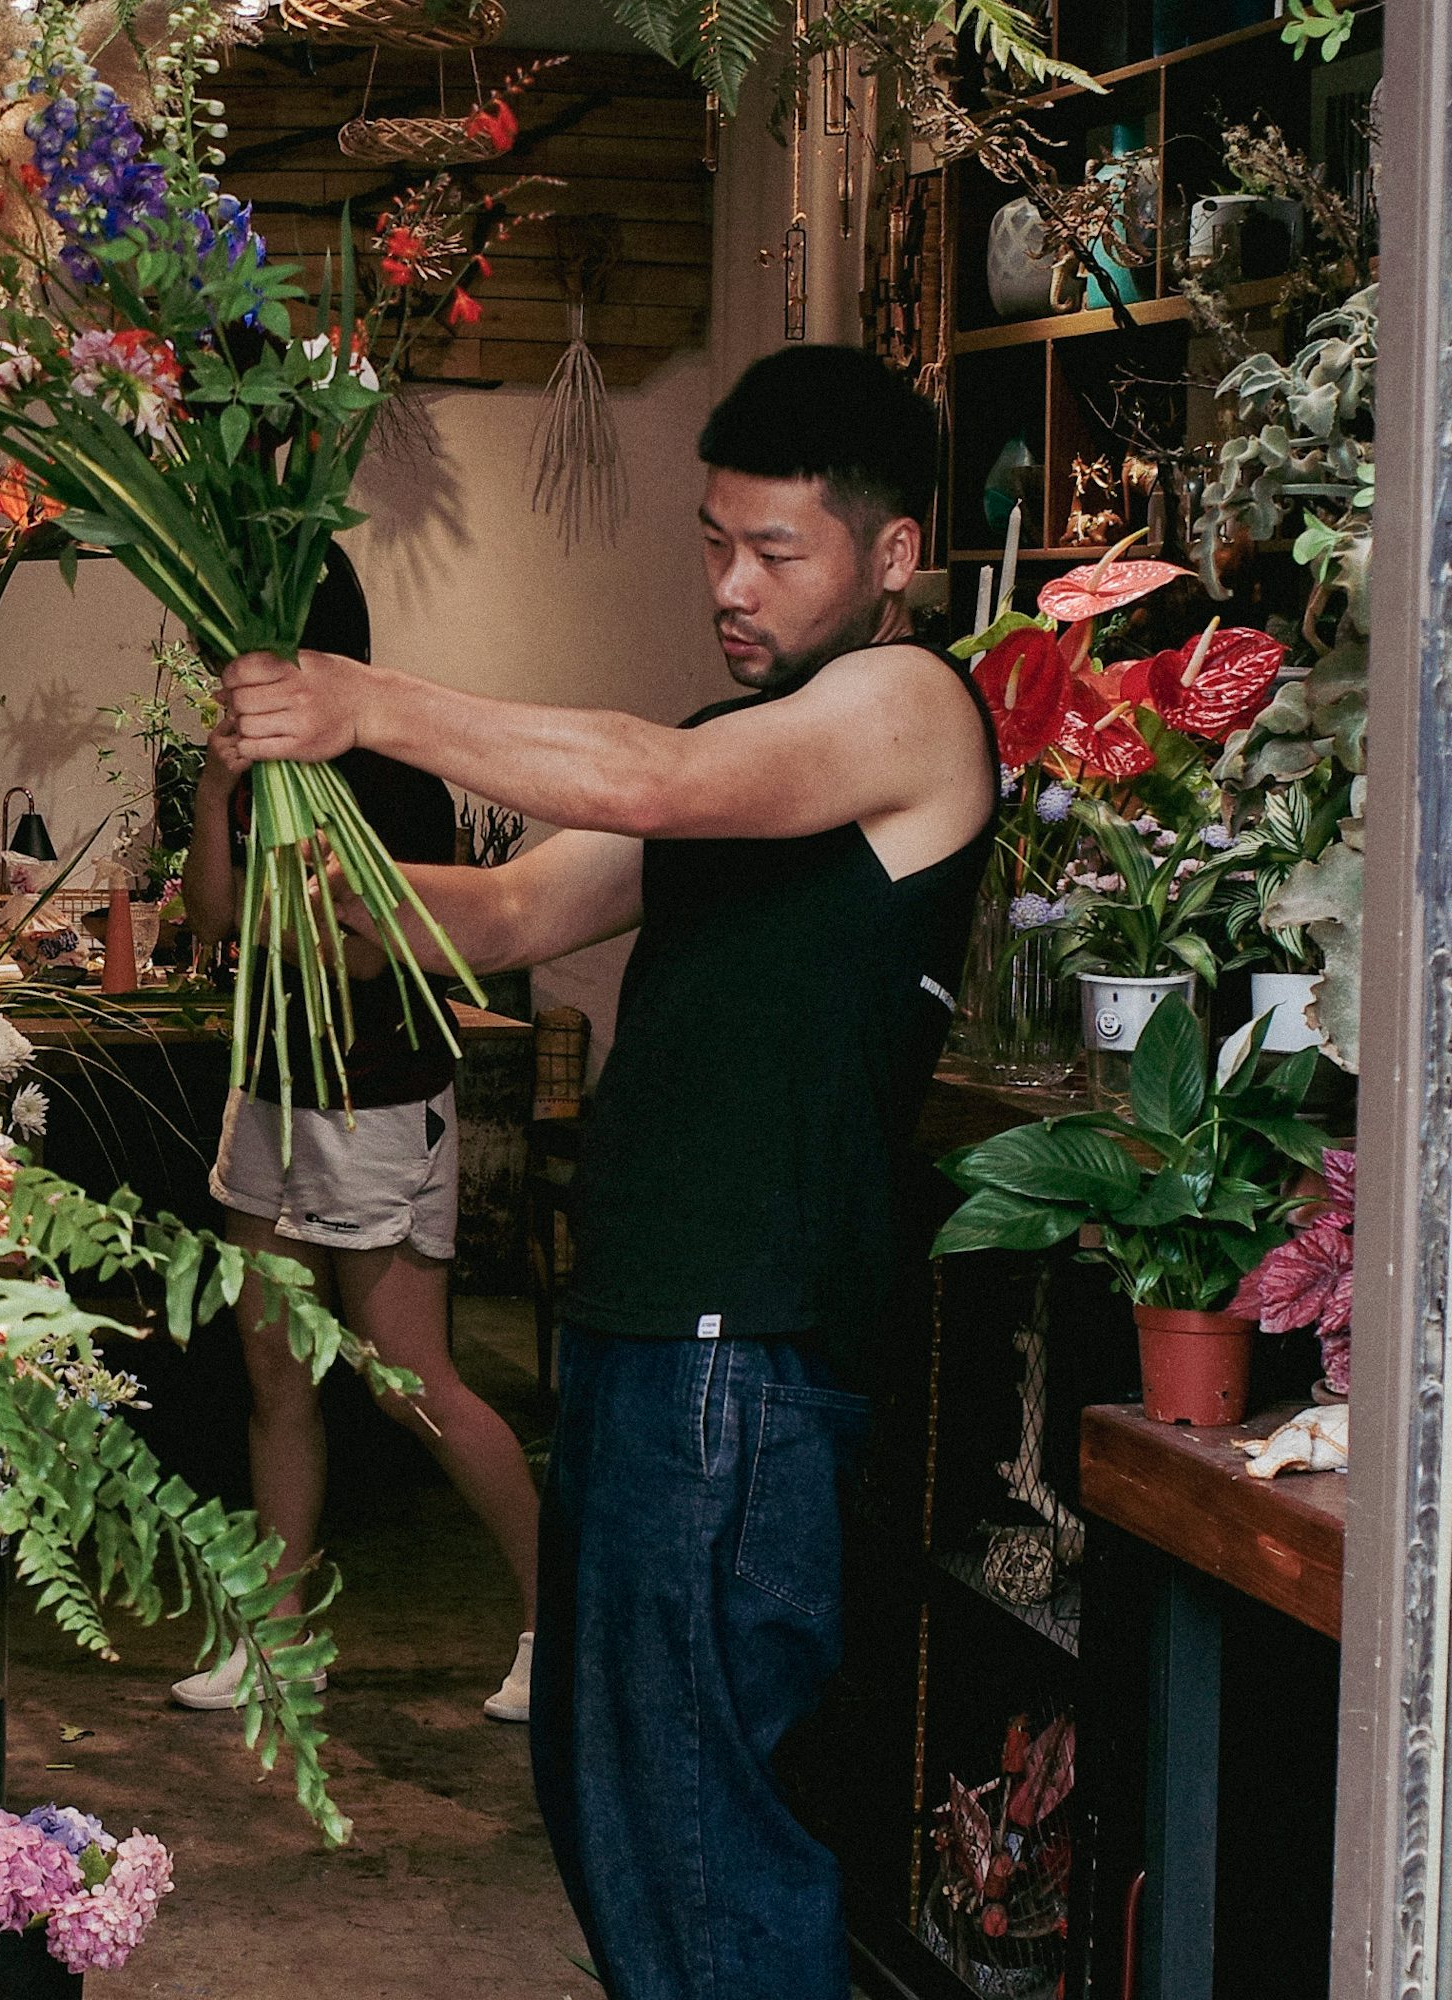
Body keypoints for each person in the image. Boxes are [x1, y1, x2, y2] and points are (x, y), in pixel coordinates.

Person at [214, 345, 996, 2000]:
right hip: (650, 1340)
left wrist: (368, 698)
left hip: (746, 1355)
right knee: (614, 1795)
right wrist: (304, 829)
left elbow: (657, 776)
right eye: (713, 541)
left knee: (701, 1837)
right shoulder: (755, 740)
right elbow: (499, 917)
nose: (729, 584)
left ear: (895, 556)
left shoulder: (906, 708)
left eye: (774, 553)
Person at [174, 542, 543, 1724]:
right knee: (274, 1371)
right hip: (270, 1092)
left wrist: (327, 887)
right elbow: (216, 922)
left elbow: (368, 957)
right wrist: (218, 790)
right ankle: (278, 1637)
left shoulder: (391, 776)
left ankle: (559, 1621)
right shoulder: (256, 770)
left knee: (408, 1383)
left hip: (377, 1096)